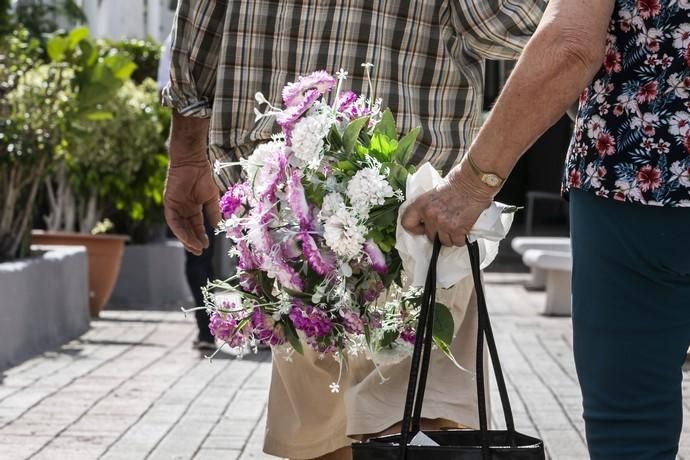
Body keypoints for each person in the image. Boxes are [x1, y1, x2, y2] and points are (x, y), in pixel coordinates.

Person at [161, 1, 545, 459]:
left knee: (322, 436)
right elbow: (499, 23)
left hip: (286, 205)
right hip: (413, 208)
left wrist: (186, 152)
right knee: (416, 428)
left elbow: (201, 17)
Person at [402, 0, 690, 458]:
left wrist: (472, 184)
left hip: (638, 183)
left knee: (634, 429)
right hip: (635, 194)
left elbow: (571, 44)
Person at [157, 34, 217, 351]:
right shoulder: (176, 42)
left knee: (257, 247)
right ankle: (208, 329)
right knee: (198, 250)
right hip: (201, 162)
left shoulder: (180, 40)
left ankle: (263, 329)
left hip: (235, 161)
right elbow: (172, 96)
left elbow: (169, 95)